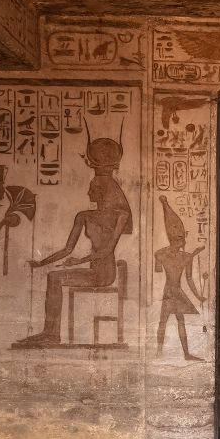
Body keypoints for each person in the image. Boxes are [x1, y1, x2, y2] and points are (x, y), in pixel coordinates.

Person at [13, 134, 131, 347]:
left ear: (104, 190)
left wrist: (77, 262)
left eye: (93, 187)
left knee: (56, 279)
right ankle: (49, 333)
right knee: (53, 276)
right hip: (92, 270)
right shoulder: (84, 216)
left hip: (104, 274)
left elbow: (106, 251)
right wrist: (41, 263)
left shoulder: (120, 216)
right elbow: (67, 249)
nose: (88, 191)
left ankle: (50, 335)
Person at [153, 196, 206, 361]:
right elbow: (187, 279)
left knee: (171, 320)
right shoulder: (184, 256)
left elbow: (188, 279)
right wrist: (197, 296)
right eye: (179, 238)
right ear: (173, 238)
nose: (182, 241)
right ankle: (168, 353)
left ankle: (165, 353)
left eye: (183, 237)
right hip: (173, 292)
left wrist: (198, 296)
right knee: (171, 320)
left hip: (171, 291)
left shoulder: (162, 254)